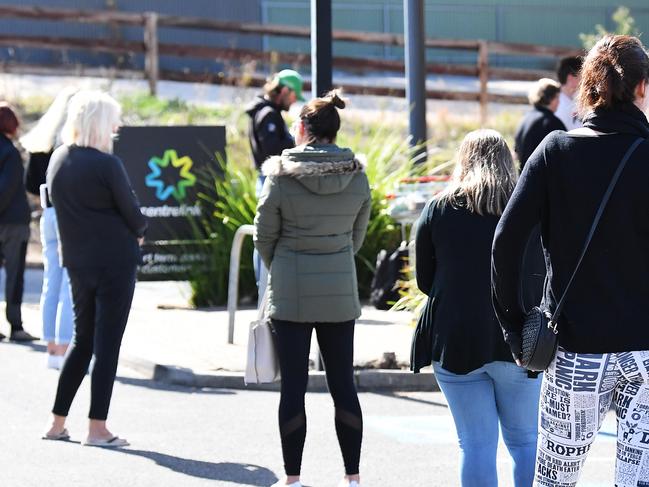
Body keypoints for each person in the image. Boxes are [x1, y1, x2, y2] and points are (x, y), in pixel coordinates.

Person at [492, 35, 649, 486]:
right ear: (641, 88)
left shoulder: (556, 151)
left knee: (555, 480)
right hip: (643, 349)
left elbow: (506, 240)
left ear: (590, 88)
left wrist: (515, 325)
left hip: (576, 349)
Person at [411, 130, 542, 487]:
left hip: (453, 338)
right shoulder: (527, 207)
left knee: (475, 445)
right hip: (517, 340)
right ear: (509, 161)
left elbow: (425, 280)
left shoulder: (439, 208)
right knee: (526, 439)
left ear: (462, 160)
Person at [254, 89, 371, 487]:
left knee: (293, 388)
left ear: (301, 128)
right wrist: (335, 257)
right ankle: (352, 477)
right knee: (343, 385)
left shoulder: (281, 175)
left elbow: (263, 236)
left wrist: (284, 265)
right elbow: (358, 236)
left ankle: (293, 478)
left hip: (290, 291)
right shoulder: (356, 173)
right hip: (340, 289)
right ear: (335, 130)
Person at [43, 91, 147, 447]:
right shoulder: (107, 165)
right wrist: (139, 231)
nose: (117, 128)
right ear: (101, 124)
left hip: (77, 261)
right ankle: (97, 428)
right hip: (115, 262)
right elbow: (135, 216)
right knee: (107, 345)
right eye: (113, 121)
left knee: (82, 340)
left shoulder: (58, 159)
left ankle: (57, 423)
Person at [21, 87, 77, 368]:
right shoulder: (73, 143)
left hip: (48, 214)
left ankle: (51, 348)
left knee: (51, 281)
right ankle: (66, 346)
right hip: (68, 216)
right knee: (70, 283)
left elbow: (30, 184)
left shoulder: (42, 140)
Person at [246, 69, 304, 303]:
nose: (294, 101)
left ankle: (266, 289)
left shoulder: (264, 112)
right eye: (293, 96)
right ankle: (265, 291)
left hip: (266, 181)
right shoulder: (268, 114)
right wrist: (292, 144)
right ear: (285, 90)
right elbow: (271, 151)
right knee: (267, 235)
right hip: (269, 181)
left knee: (265, 234)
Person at [0, 102, 38, 342]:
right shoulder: (10, 152)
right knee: (14, 276)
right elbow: (8, 188)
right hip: (13, 223)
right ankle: (16, 326)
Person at [514, 78, 566, 170]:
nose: (559, 102)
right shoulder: (552, 122)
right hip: (542, 180)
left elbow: (516, 153)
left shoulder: (525, 118)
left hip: (523, 177)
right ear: (550, 98)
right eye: (557, 97)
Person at [555, 56, 583, 131]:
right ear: (570, 78)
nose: (584, 80)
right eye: (582, 75)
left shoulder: (575, 100)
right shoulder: (558, 105)